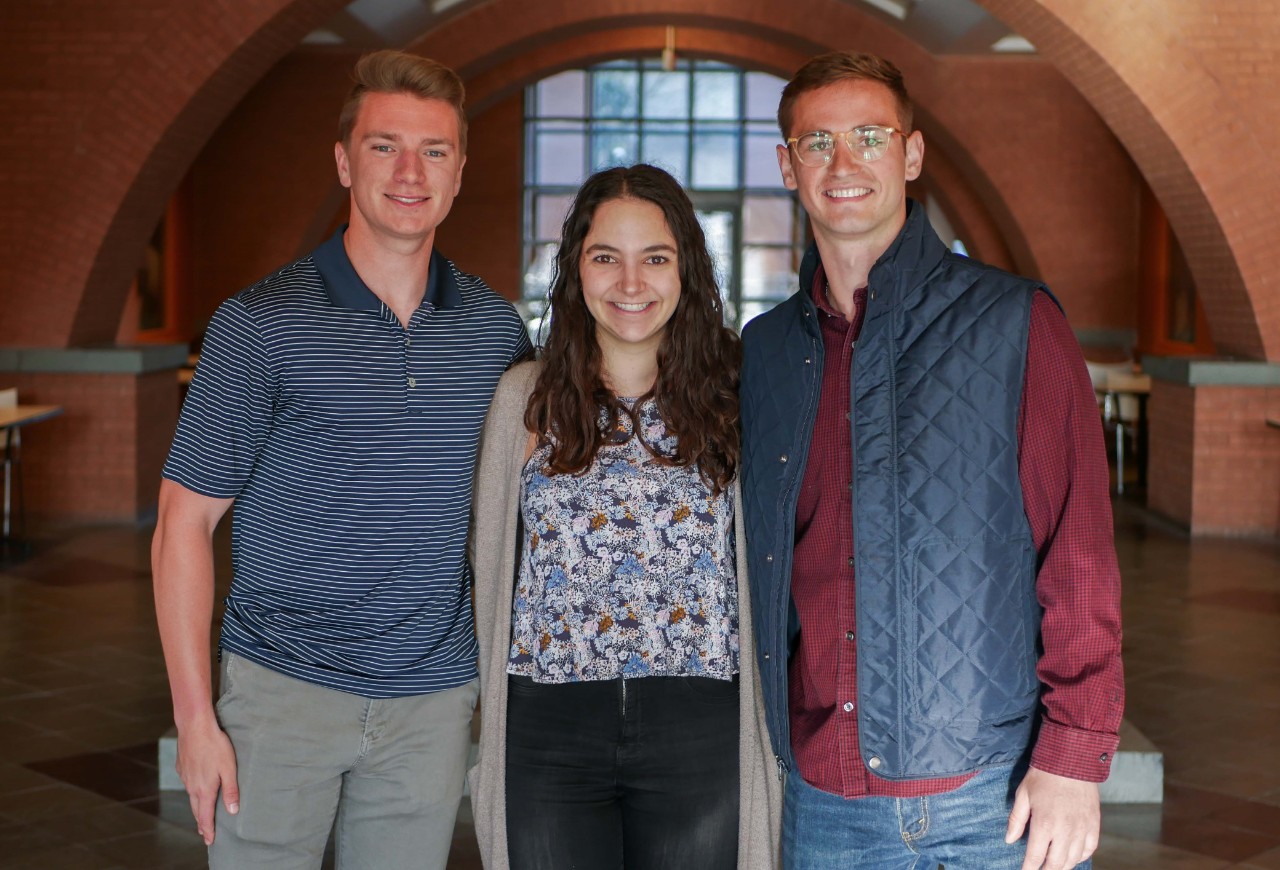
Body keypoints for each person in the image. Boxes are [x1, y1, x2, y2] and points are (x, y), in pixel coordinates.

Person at [739, 51, 1124, 870]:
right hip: (827, 801)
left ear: (910, 156)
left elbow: (1079, 552)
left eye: (870, 137)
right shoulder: (767, 352)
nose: (844, 164)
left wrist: (1075, 754)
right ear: (787, 165)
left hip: (996, 798)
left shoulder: (1016, 323)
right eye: (817, 143)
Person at [152, 49, 531, 869]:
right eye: (383, 145)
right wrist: (193, 719)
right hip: (281, 697)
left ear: (459, 171)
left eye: (433, 151)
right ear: (343, 160)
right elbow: (184, 523)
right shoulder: (260, 325)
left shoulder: (495, 335)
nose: (409, 172)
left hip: (431, 705)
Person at [468, 164, 781, 870]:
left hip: (699, 724)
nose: (630, 283)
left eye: (656, 258)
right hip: (547, 727)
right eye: (606, 257)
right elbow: (487, 568)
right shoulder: (526, 399)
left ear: (688, 271)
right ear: (576, 269)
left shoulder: (738, 398)